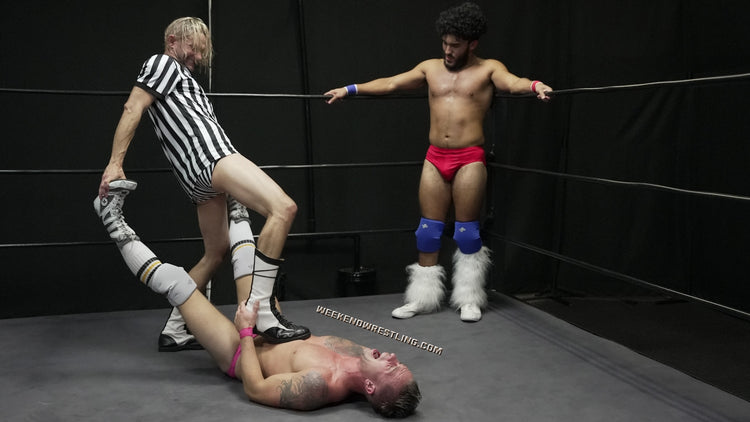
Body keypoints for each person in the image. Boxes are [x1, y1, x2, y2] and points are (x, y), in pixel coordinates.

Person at [93, 180, 421, 418]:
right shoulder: (361, 354)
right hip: (269, 326)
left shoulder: (319, 386)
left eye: (391, 368)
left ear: (370, 388)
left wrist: (247, 331)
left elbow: (255, 388)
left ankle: (111, 219)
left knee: (177, 283)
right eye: (398, 362)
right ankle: (234, 195)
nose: (393, 356)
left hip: (240, 349)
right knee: (251, 262)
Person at [325, 2, 552, 322]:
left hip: (469, 158)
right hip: (435, 157)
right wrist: (349, 89)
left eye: (455, 45)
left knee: (467, 232)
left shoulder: (488, 69)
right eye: (444, 43)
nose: (447, 50)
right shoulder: (430, 68)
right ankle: (422, 299)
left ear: (472, 43)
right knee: (427, 231)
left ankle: (469, 299)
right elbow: (391, 83)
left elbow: (512, 83)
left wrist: (535, 86)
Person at [97, 17, 308, 350]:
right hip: (212, 159)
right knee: (283, 208)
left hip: (200, 177)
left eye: (201, 51)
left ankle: (176, 329)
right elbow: (132, 107)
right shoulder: (162, 63)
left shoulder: (182, 78)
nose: (197, 57)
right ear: (172, 40)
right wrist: (114, 163)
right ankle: (263, 314)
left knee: (216, 252)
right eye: (193, 48)